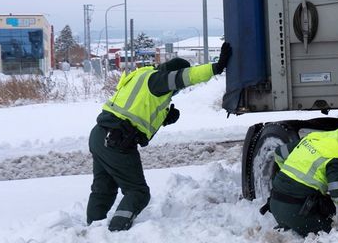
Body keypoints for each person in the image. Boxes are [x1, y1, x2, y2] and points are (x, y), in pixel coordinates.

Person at [87, 42, 231, 231]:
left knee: (103, 188)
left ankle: (91, 230)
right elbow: (185, 77)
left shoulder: (142, 77)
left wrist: (164, 118)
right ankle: (117, 232)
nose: (176, 91)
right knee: (138, 192)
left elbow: (136, 114)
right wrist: (216, 68)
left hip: (100, 135)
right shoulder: (158, 79)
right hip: (116, 140)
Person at [265, 128, 338, 236]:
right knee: (333, 236)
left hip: (275, 205)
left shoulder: (315, 140)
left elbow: (279, 153)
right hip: (297, 212)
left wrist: (288, 176)